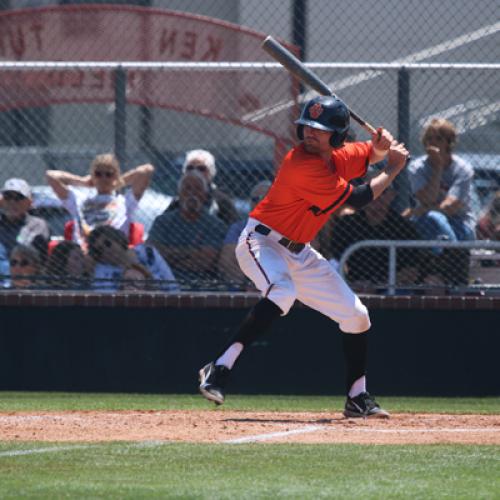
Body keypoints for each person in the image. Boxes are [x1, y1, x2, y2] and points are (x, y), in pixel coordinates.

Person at [198, 95, 409, 418]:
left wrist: (380, 147)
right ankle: (220, 367)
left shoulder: (337, 157)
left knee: (357, 317)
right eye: (307, 126)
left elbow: (368, 154)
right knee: (282, 292)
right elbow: (360, 198)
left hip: (300, 251)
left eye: (320, 129)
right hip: (261, 242)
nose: (311, 133)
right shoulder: (302, 164)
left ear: (336, 136)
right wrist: (393, 167)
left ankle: (357, 397)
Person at [329, 169, 428, 292]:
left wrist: (381, 286)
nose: (376, 196)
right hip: (354, 287)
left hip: (391, 288)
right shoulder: (346, 225)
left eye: (383, 191)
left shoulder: (403, 228)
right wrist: (352, 283)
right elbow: (335, 259)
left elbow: (413, 269)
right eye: (371, 191)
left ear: (392, 195)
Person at [407, 118, 476, 284]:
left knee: (446, 225)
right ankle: (456, 275)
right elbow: (427, 198)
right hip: (427, 221)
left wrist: (424, 209)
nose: (432, 142)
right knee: (434, 219)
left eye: (438, 138)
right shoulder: (417, 167)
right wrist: (437, 167)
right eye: (429, 138)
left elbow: (452, 206)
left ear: (448, 142)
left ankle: (447, 273)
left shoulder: (463, 169)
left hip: (460, 222)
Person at [46, 154, 154, 244]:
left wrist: (118, 182)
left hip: (113, 250)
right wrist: (82, 181)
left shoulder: (124, 202)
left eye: (109, 174)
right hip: (84, 251)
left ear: (115, 176)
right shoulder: (79, 200)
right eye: (98, 174)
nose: (103, 178)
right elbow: (51, 176)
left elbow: (147, 170)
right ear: (92, 176)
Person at [147, 170, 227, 285]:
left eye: (198, 189)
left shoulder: (215, 225)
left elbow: (205, 262)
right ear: (179, 194)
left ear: (205, 195)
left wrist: (172, 255)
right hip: (165, 280)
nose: (192, 193)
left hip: (203, 283)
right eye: (187, 188)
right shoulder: (163, 222)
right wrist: (193, 253)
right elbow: (154, 254)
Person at [88, 225, 178, 291]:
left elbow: (172, 284)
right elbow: (106, 299)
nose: (106, 250)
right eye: (99, 250)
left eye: (108, 243)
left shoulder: (148, 252)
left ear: (118, 239)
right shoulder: (102, 272)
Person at [218, 180, 272, 287]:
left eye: (265, 198)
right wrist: (248, 284)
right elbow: (226, 261)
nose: (259, 202)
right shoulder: (238, 228)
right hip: (243, 285)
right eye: (255, 199)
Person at [167, 149, 239, 226]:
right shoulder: (179, 199)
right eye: (190, 168)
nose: (195, 171)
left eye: (201, 168)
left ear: (211, 173)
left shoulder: (221, 200)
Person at [0, 178, 50, 260]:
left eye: (18, 197)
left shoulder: (37, 225)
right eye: (8, 197)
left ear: (29, 202)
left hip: (24, 270)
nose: (12, 202)